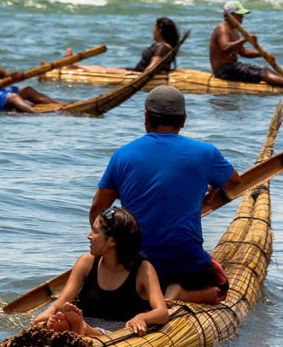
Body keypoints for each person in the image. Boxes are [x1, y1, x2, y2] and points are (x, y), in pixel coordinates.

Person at [89, 86, 241, 305]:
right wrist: (212, 185)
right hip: (185, 262)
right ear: (184, 120)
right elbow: (234, 181)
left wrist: (104, 251)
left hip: (135, 263)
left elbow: (97, 208)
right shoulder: (206, 153)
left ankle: (145, 292)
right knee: (221, 288)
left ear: (146, 117)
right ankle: (182, 294)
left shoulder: (123, 155)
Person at [32, 206, 169, 336]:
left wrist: (141, 317)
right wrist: (48, 313)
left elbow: (162, 312)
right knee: (60, 317)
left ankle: (81, 328)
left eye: (95, 231)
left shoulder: (142, 269)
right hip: (86, 321)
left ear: (112, 240)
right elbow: (63, 301)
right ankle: (74, 326)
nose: (89, 235)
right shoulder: (86, 262)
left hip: (118, 333)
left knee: (84, 325)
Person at [209, 0, 283, 93]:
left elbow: (242, 52)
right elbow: (225, 47)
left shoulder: (234, 30)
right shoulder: (222, 28)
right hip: (224, 70)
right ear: (230, 15)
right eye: (240, 15)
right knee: (263, 72)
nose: (242, 17)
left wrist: (262, 54)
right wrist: (245, 39)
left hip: (233, 67)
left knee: (265, 69)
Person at [66, 17, 180, 74]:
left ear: (159, 31)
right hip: (136, 72)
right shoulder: (164, 46)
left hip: (137, 74)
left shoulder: (162, 46)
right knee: (106, 68)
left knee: (105, 70)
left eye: (154, 28)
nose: (152, 30)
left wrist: (137, 78)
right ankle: (76, 66)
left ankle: (76, 66)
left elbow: (153, 66)